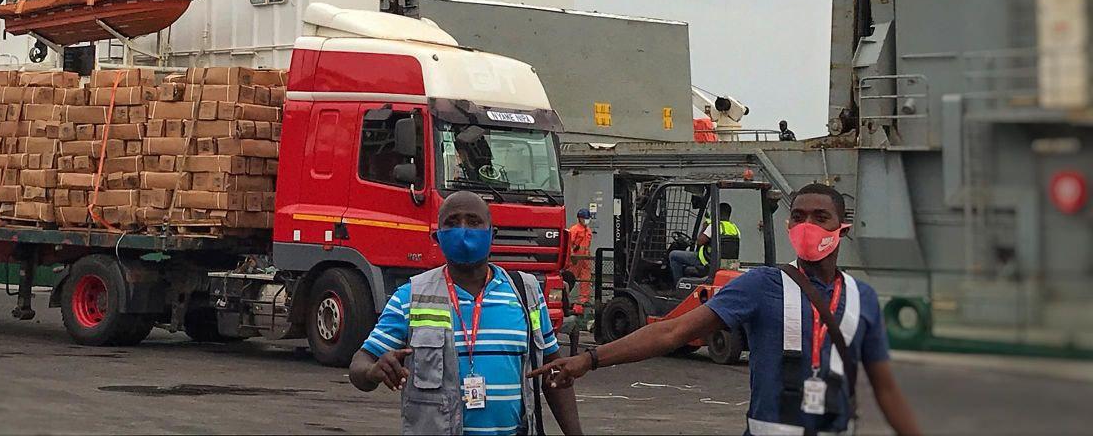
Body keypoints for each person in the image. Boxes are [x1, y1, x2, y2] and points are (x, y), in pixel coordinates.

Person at [533, 184, 921, 436]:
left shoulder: (862, 298)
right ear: (788, 225)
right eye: (799, 217)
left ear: (843, 229)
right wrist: (590, 359)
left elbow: (886, 388)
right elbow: (671, 332)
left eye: (820, 218)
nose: (808, 226)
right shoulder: (760, 286)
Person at [349, 191, 583, 436]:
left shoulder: (527, 294)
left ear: (492, 234)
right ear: (437, 237)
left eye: (473, 222)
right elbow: (360, 364)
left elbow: (556, 371)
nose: (463, 231)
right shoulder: (410, 297)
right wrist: (372, 372)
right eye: (452, 223)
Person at [667, 202, 740, 287]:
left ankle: (677, 286)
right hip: (724, 263)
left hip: (706, 262)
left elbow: (699, 241)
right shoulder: (735, 229)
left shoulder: (714, 226)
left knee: (673, 255)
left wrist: (704, 227)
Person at [566, 209, 594, 308]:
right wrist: (572, 255)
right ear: (580, 219)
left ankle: (584, 298)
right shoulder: (574, 230)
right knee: (571, 277)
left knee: (585, 278)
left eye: (587, 218)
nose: (586, 220)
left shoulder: (588, 230)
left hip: (585, 258)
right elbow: (569, 244)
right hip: (576, 258)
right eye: (585, 218)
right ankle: (564, 296)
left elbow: (587, 245)